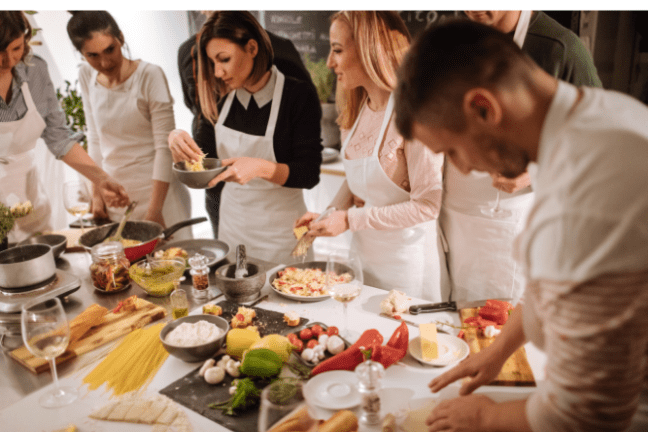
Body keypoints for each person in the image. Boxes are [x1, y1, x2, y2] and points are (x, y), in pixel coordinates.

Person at [395, 19, 648, 432]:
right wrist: (497, 352)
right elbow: (555, 286)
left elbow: (589, 413)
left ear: (484, 108)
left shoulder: (591, 188)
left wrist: (484, 415)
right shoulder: (594, 119)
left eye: (453, 151)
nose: (461, 168)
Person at [438, 10, 602, 303]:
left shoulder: (560, 49)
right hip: (454, 221)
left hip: (513, 226)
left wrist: (536, 172)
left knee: (502, 332)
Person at [295, 11, 447, 300]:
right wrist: (327, 216)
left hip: (408, 266)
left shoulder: (415, 114)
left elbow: (428, 206)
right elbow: (356, 182)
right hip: (364, 259)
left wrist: (351, 220)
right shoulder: (355, 109)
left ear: (370, 50)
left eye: (337, 50)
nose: (329, 62)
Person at [177, 11, 322, 263]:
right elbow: (205, 163)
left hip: (287, 231)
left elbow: (309, 174)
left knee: (294, 290)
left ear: (252, 48)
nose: (218, 72)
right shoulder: (219, 97)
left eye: (224, 59)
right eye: (213, 63)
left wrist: (262, 168)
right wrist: (179, 143)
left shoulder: (297, 95)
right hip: (234, 229)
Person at [0, 11, 129, 243]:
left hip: (29, 200)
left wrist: (101, 179)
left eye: (16, 48)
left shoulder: (34, 71)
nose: (8, 61)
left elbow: (58, 137)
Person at [66, 11, 191, 235]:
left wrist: (155, 210)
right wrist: (97, 193)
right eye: (92, 55)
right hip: (117, 198)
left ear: (120, 39)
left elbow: (164, 147)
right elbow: (94, 137)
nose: (104, 62)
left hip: (160, 197)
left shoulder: (149, 75)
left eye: (109, 50)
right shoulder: (86, 76)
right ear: (82, 55)